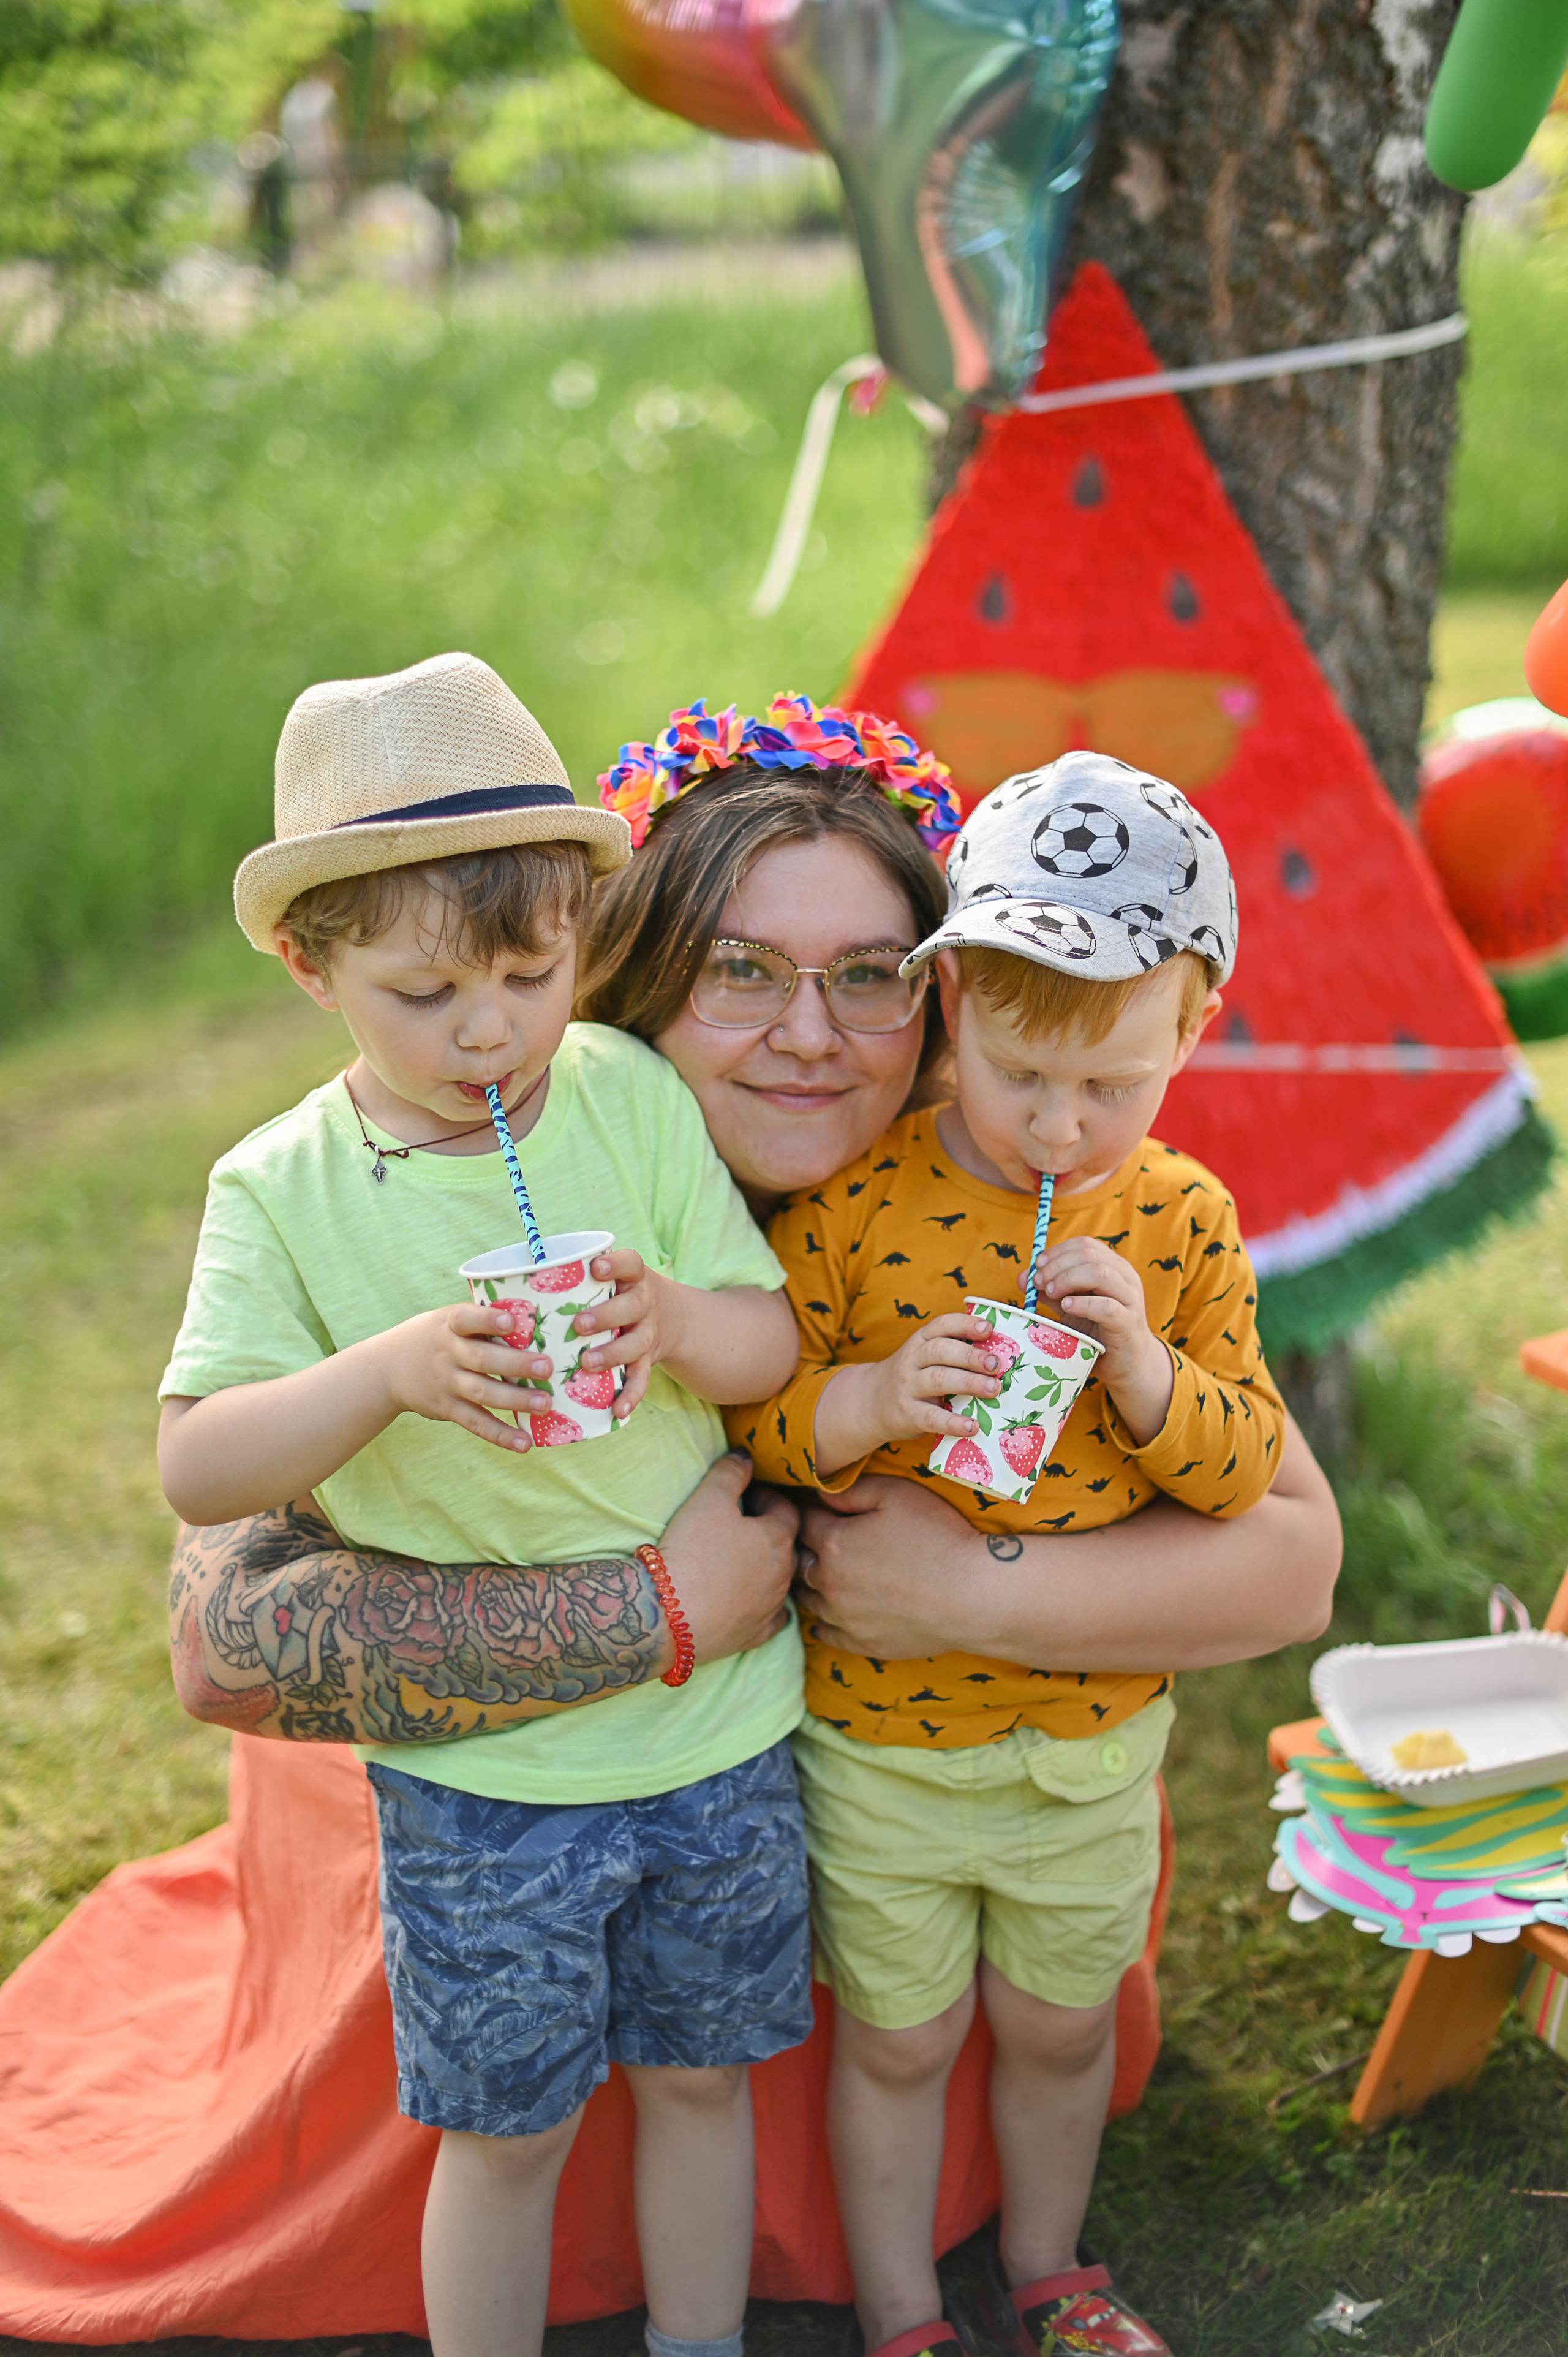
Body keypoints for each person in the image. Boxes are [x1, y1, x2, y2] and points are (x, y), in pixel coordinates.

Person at [0, 690, 1339, 2344]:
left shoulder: (1022, 1168)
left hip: (890, 1812)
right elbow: (222, 1634)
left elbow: (1297, 1559)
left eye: (867, 975)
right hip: (506, 1791)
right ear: (631, 980)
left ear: (944, 997)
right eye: (741, 971)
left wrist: (958, 1593)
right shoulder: (477, 1142)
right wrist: (655, 1606)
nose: (811, 1034)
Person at [157, 650, 809, 2357]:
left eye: (531, 974)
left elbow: (765, 1343)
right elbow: (199, 1462)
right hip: (482, 1780)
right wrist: (384, 1374)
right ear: (312, 968)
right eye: (424, 993)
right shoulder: (281, 1189)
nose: (490, 1031)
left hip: (720, 1735)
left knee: (704, 2082)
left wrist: (673, 1322)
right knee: (506, 2133)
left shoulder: (627, 1097)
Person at [734, 752, 1283, 2357]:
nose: (1056, 1126)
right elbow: (761, 1426)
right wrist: (871, 1399)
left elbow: (1244, 1466)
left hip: (1090, 1747)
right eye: (1017, 1072)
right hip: (883, 1748)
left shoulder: (1181, 1223)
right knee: (898, 2043)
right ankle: (904, 2314)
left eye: (1111, 1085)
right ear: (954, 1002)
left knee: (1056, 2028)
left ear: (1193, 1025)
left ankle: (1053, 2276)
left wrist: (1149, 1379)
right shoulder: (853, 1207)